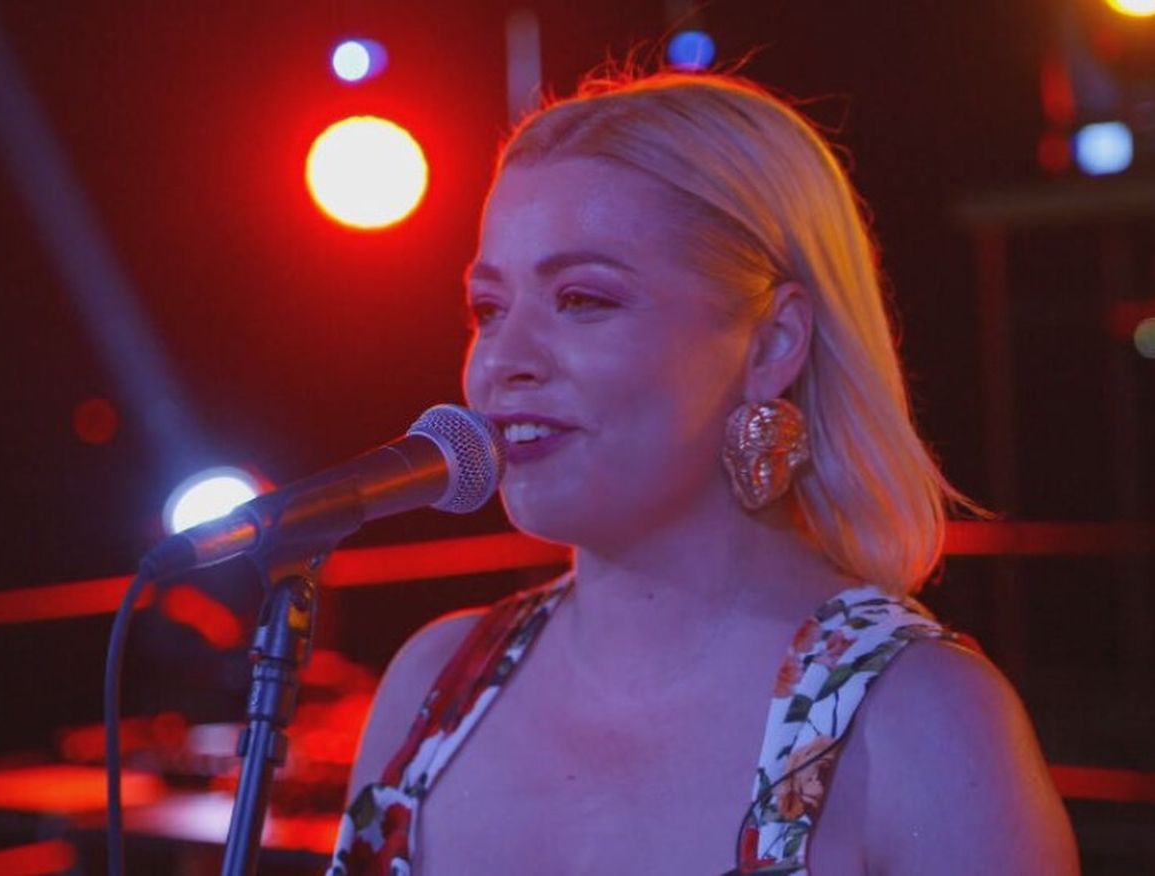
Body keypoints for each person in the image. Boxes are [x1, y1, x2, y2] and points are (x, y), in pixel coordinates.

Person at [327, 70, 1078, 875]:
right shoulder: (435, 684)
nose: (504, 360)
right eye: (488, 309)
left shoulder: (918, 718)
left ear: (772, 343)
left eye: (582, 300)